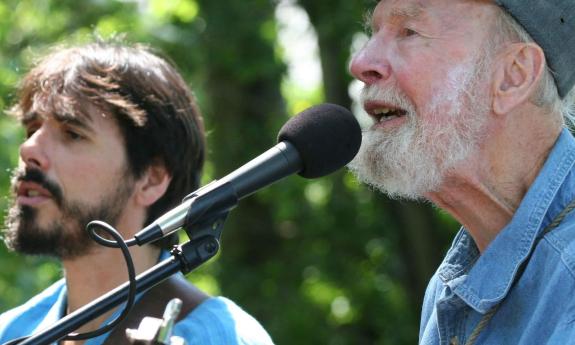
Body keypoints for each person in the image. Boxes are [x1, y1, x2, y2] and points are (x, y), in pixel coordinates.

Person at [0, 39, 274, 345]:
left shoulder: (221, 337)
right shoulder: (11, 332)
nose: (28, 148)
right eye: (32, 129)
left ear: (150, 179)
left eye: (72, 133)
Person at [348, 0, 575, 344]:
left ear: (514, 75)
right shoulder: (451, 284)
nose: (361, 63)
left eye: (408, 31)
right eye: (374, 32)